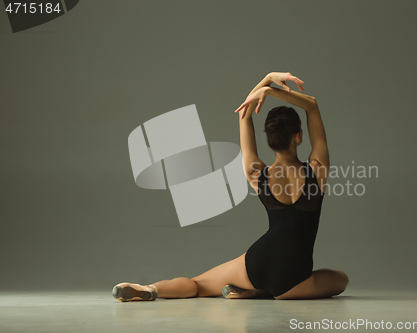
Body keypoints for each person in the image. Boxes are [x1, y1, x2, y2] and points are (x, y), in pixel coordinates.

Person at [112, 72, 348, 301]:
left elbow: (244, 113)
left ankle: (150, 289)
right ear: (298, 136)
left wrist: (265, 81)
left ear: (268, 137)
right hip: (293, 276)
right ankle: (262, 292)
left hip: (257, 262)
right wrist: (270, 91)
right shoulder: (317, 170)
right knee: (340, 279)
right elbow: (312, 105)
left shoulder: (256, 173)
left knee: (198, 284)